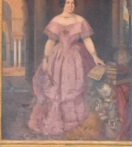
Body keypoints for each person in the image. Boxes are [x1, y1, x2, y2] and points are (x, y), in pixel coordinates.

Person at [28, 0, 105, 136]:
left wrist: (94, 56)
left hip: (74, 58)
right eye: (67, 2)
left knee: (72, 86)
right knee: (56, 88)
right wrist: (45, 59)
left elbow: (87, 40)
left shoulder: (80, 20)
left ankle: (71, 122)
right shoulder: (55, 20)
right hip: (57, 58)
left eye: (73, 3)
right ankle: (56, 120)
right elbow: (50, 41)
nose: (70, 5)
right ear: (62, 4)